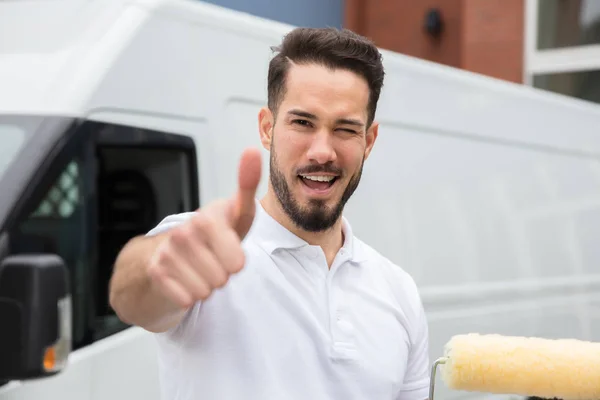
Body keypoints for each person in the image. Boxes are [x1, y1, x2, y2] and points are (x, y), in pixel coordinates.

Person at [109, 27, 430, 400]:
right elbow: (132, 296)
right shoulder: (206, 250)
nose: (322, 151)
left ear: (368, 142)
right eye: (303, 123)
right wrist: (158, 267)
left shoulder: (399, 292)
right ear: (267, 128)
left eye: (345, 129)